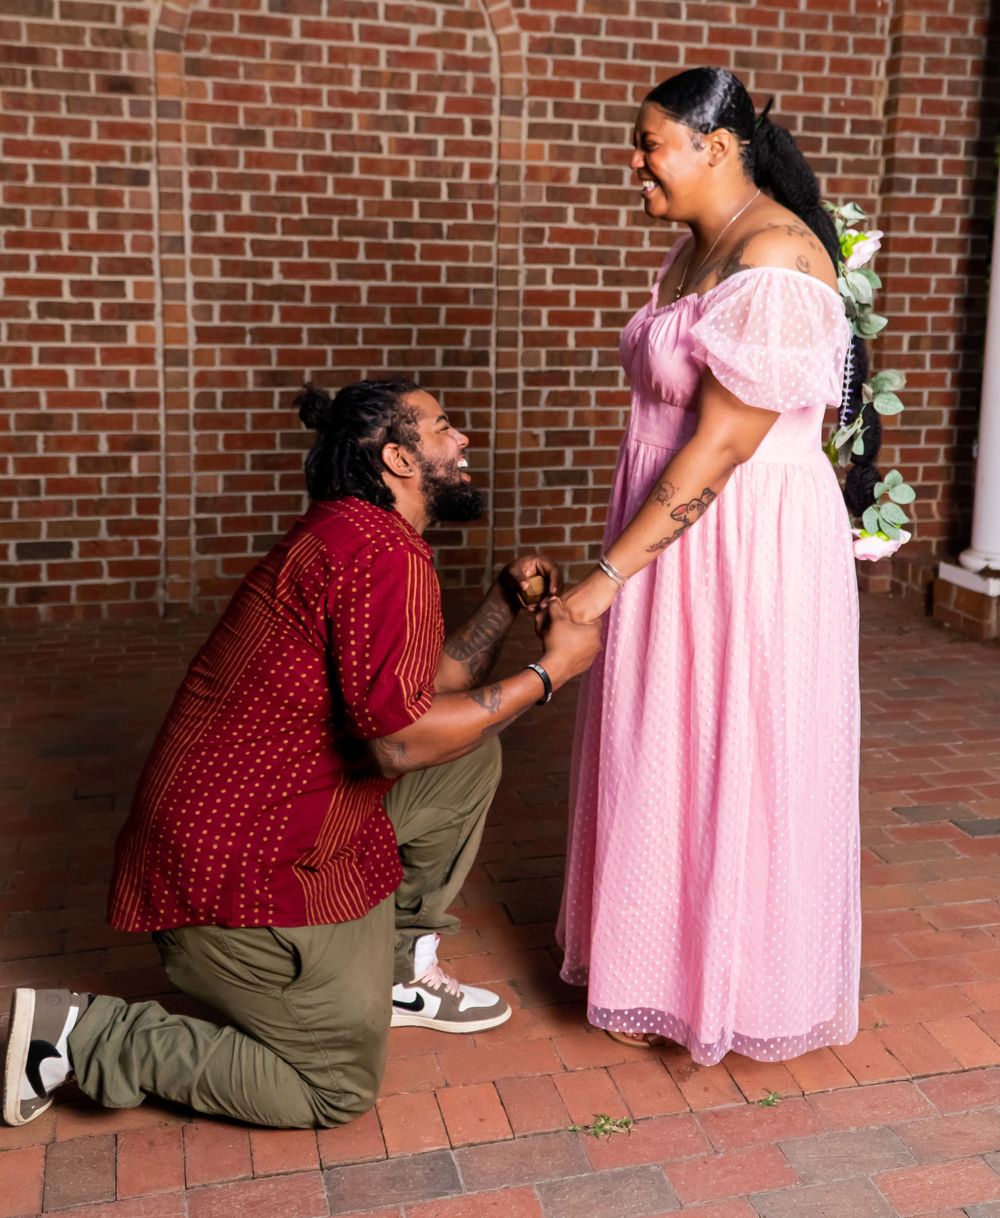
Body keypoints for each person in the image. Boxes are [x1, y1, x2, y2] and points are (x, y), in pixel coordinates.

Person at [3, 378, 602, 1129]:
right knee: (335, 1088)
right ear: (399, 459)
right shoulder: (383, 555)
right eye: (444, 427)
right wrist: (549, 674)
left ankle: (394, 974)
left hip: (253, 823)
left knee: (467, 756)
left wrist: (501, 604)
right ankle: (78, 1036)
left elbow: (416, 700)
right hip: (235, 873)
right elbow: (398, 743)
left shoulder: (354, 532)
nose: (463, 440)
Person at [557, 67, 862, 1065]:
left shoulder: (774, 259)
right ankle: (658, 969)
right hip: (676, 529)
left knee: (737, 742)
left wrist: (605, 577)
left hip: (742, 538)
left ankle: (740, 983)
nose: (633, 162)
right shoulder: (696, 247)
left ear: (717, 147)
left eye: (650, 144)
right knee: (665, 739)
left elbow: (724, 445)